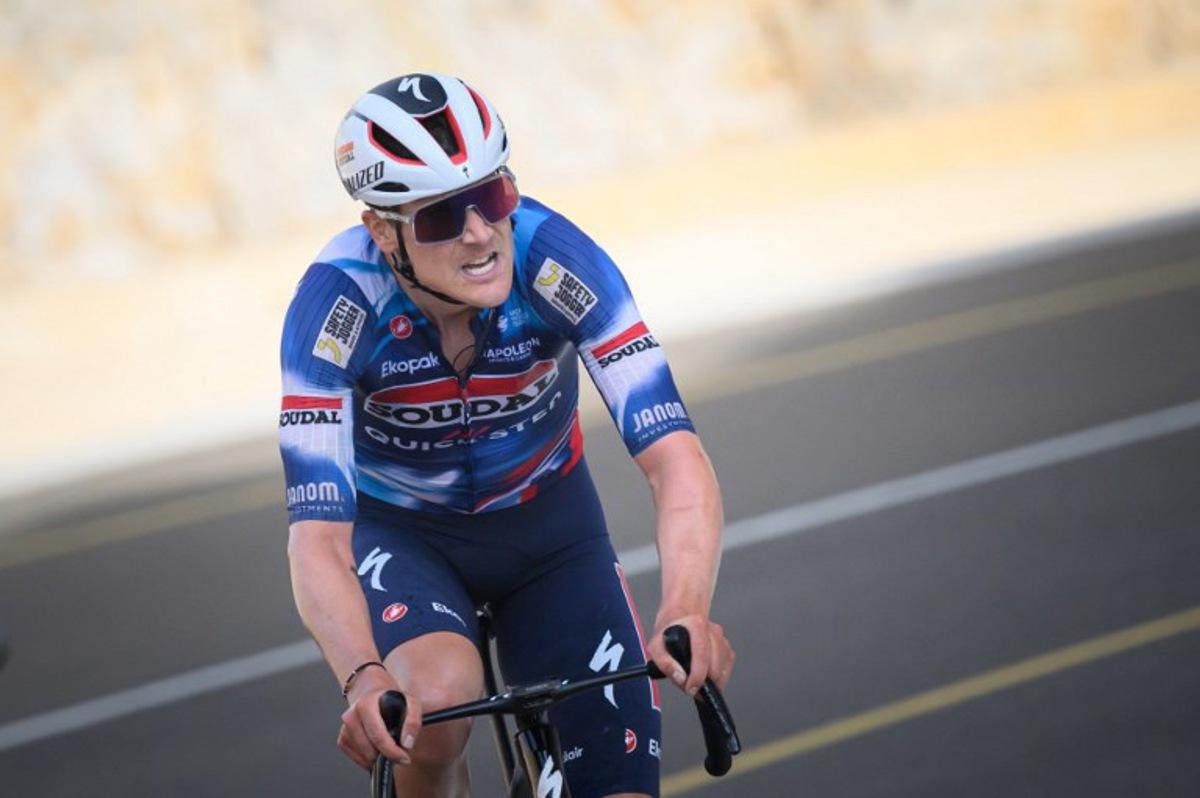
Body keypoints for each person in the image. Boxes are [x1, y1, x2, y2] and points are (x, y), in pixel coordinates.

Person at [280, 72, 734, 798]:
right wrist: (364, 677)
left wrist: (686, 606)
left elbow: (675, 457)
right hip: (406, 539)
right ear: (381, 231)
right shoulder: (335, 308)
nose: (479, 232)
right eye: (439, 216)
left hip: (550, 531)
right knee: (430, 713)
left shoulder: (556, 259)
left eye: (492, 195)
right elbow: (318, 537)